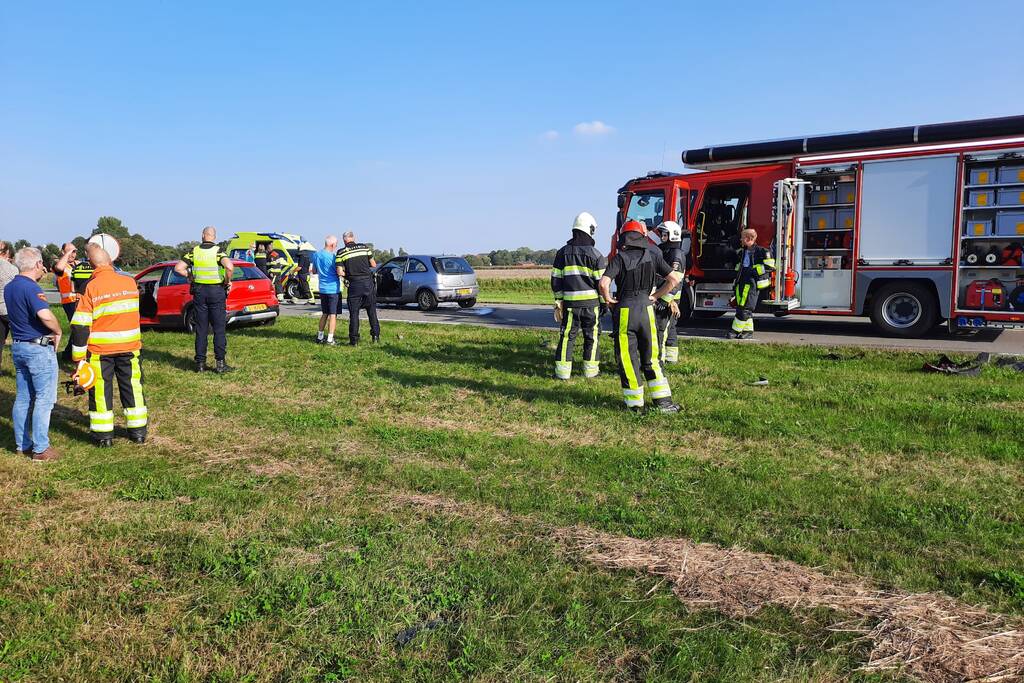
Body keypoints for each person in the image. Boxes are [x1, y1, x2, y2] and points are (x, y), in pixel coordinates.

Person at [598, 220, 682, 413]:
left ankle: (635, 405)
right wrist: (656, 296)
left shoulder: (619, 258)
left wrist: (609, 299)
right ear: (643, 235)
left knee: (628, 357)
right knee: (651, 357)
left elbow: (604, 283)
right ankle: (664, 403)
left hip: (626, 309)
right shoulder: (653, 254)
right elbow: (674, 279)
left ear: (624, 237)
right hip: (647, 310)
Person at [69, 244, 147, 446]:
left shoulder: (90, 287)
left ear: (91, 265)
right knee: (132, 387)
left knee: (102, 391)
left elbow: (80, 326)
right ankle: (138, 432)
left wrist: (78, 359)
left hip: (100, 351)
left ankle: (104, 437)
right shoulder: (129, 282)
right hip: (130, 347)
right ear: (110, 261)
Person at [5, 247, 63, 460]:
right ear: (38, 264)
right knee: (44, 399)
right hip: (37, 348)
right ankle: (41, 448)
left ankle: (22, 444)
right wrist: (57, 331)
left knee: (23, 398)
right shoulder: (31, 288)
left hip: (19, 345)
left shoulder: (9, 287)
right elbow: (45, 315)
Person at [550, 212, 607, 379]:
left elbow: (556, 280)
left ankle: (562, 373)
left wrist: (559, 300)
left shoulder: (562, 253)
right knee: (592, 337)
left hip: (569, 305)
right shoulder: (596, 255)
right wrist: (604, 303)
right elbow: (601, 283)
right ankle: (591, 372)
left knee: (567, 337)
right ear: (589, 230)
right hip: (591, 306)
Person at [174, 226, 235, 373]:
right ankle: (220, 364)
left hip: (200, 292)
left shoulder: (193, 252)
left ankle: (200, 364)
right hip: (216, 291)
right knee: (219, 329)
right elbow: (230, 267)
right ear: (214, 237)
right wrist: (227, 281)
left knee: (201, 329)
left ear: (202, 235)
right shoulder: (218, 251)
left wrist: (190, 276)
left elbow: (178, 268)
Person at [728, 228, 775, 340]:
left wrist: (753, 271)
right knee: (742, 306)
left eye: (742, 237)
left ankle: (735, 331)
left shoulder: (763, 251)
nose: (740, 239)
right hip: (741, 282)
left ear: (749, 238)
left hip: (752, 283)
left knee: (744, 308)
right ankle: (748, 331)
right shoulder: (743, 251)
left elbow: (770, 267)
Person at [652, 221, 689, 364]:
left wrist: (665, 299)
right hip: (665, 296)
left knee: (662, 329)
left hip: (668, 298)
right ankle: (670, 358)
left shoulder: (676, 254)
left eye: (664, 234)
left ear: (672, 235)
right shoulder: (666, 251)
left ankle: (659, 361)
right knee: (670, 327)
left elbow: (676, 280)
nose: (662, 236)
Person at [335, 231, 379, 345]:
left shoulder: (340, 252)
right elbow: (374, 264)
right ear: (354, 238)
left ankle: (354, 340)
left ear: (344, 240)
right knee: (372, 311)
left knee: (354, 313)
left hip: (354, 285)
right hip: (368, 283)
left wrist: (348, 272)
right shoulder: (364, 248)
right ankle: (376, 336)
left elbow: (340, 272)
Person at [52, 242, 84, 360]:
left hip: (80, 300)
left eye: (74, 251)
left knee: (79, 327)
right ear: (63, 252)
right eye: (69, 251)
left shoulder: (79, 264)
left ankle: (68, 353)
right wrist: (67, 254)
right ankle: (69, 354)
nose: (72, 254)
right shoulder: (60, 264)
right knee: (78, 327)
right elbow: (58, 268)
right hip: (69, 302)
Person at [312, 235, 342, 345]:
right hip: (333, 289)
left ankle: (320, 336)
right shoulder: (333, 257)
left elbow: (314, 270)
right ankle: (330, 339)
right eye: (336, 244)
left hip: (322, 288)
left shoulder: (316, 255)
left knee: (324, 313)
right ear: (333, 244)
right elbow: (339, 272)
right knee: (333, 315)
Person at [0, 241, 19, 371]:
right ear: (6, 252)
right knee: (19, 340)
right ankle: (21, 367)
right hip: (8, 308)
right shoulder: (11, 269)